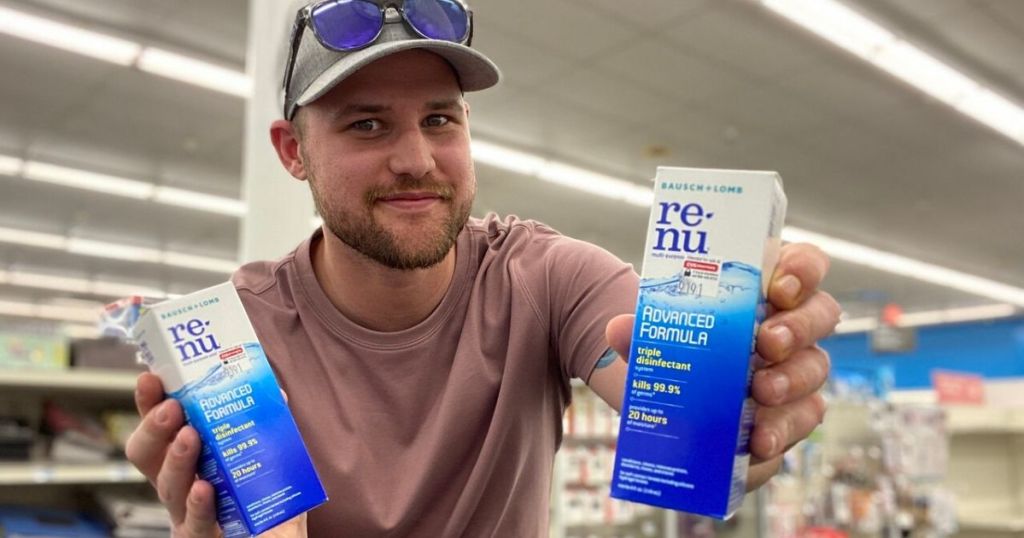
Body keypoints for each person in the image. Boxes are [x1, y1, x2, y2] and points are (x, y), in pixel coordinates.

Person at [126, 1, 839, 536]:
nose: (416, 159)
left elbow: (684, 421)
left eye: (440, 119)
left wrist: (742, 408)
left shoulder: (544, 277)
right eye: (366, 124)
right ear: (292, 152)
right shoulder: (233, 337)